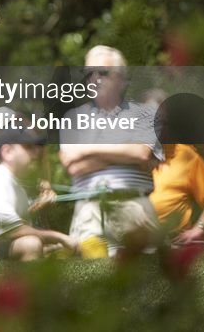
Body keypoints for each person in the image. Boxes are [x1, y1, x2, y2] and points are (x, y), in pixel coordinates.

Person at [59, 45, 162, 258]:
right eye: (89, 74)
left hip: (134, 205)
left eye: (103, 72)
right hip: (89, 208)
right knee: (90, 277)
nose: (94, 78)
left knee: (148, 277)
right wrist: (124, 151)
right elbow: (73, 164)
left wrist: (88, 150)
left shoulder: (145, 114)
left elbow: (142, 154)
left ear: (122, 79)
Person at [0, 127, 76, 260]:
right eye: (28, 147)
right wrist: (61, 238)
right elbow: (12, 230)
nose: (36, 153)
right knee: (31, 244)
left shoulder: (15, 186)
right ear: (7, 152)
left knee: (38, 245)